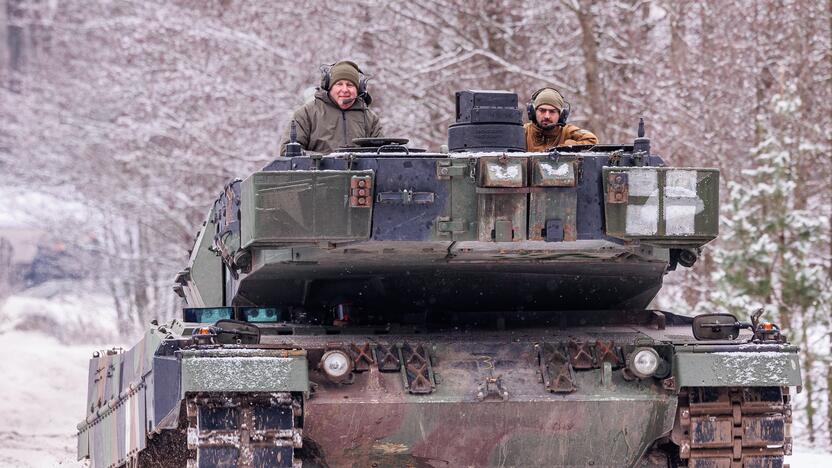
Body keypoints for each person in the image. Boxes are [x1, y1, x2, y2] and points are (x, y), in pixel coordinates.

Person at [280, 60, 383, 155]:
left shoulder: (370, 119)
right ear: (329, 87)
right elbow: (288, 152)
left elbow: (381, 155)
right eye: (339, 84)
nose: (344, 89)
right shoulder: (306, 114)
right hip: (317, 175)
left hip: (360, 175)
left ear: (359, 89)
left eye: (350, 85)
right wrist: (326, 160)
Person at [524, 87, 598, 152]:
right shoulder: (523, 132)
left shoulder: (567, 131)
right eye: (542, 110)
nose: (547, 116)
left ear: (561, 115)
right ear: (533, 112)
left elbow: (592, 140)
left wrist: (566, 148)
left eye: (552, 111)